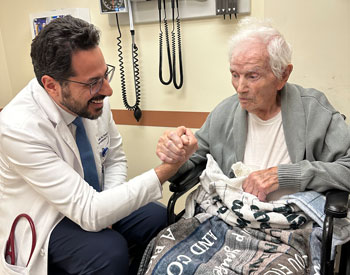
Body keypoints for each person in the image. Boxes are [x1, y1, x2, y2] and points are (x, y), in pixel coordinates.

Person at [0, 16, 197, 275]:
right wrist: (166, 169)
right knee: (108, 251)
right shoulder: (18, 127)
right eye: (93, 82)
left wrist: (109, 210)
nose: (108, 90)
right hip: (49, 220)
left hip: (93, 199)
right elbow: (89, 212)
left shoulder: (93, 101)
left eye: (105, 75)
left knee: (161, 220)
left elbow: (114, 158)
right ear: (51, 85)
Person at [157, 18, 350, 202]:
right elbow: (191, 164)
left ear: (283, 75)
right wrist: (176, 156)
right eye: (234, 75)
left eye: (252, 76)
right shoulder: (224, 113)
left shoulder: (314, 110)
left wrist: (284, 176)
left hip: (291, 221)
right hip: (232, 217)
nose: (240, 87)